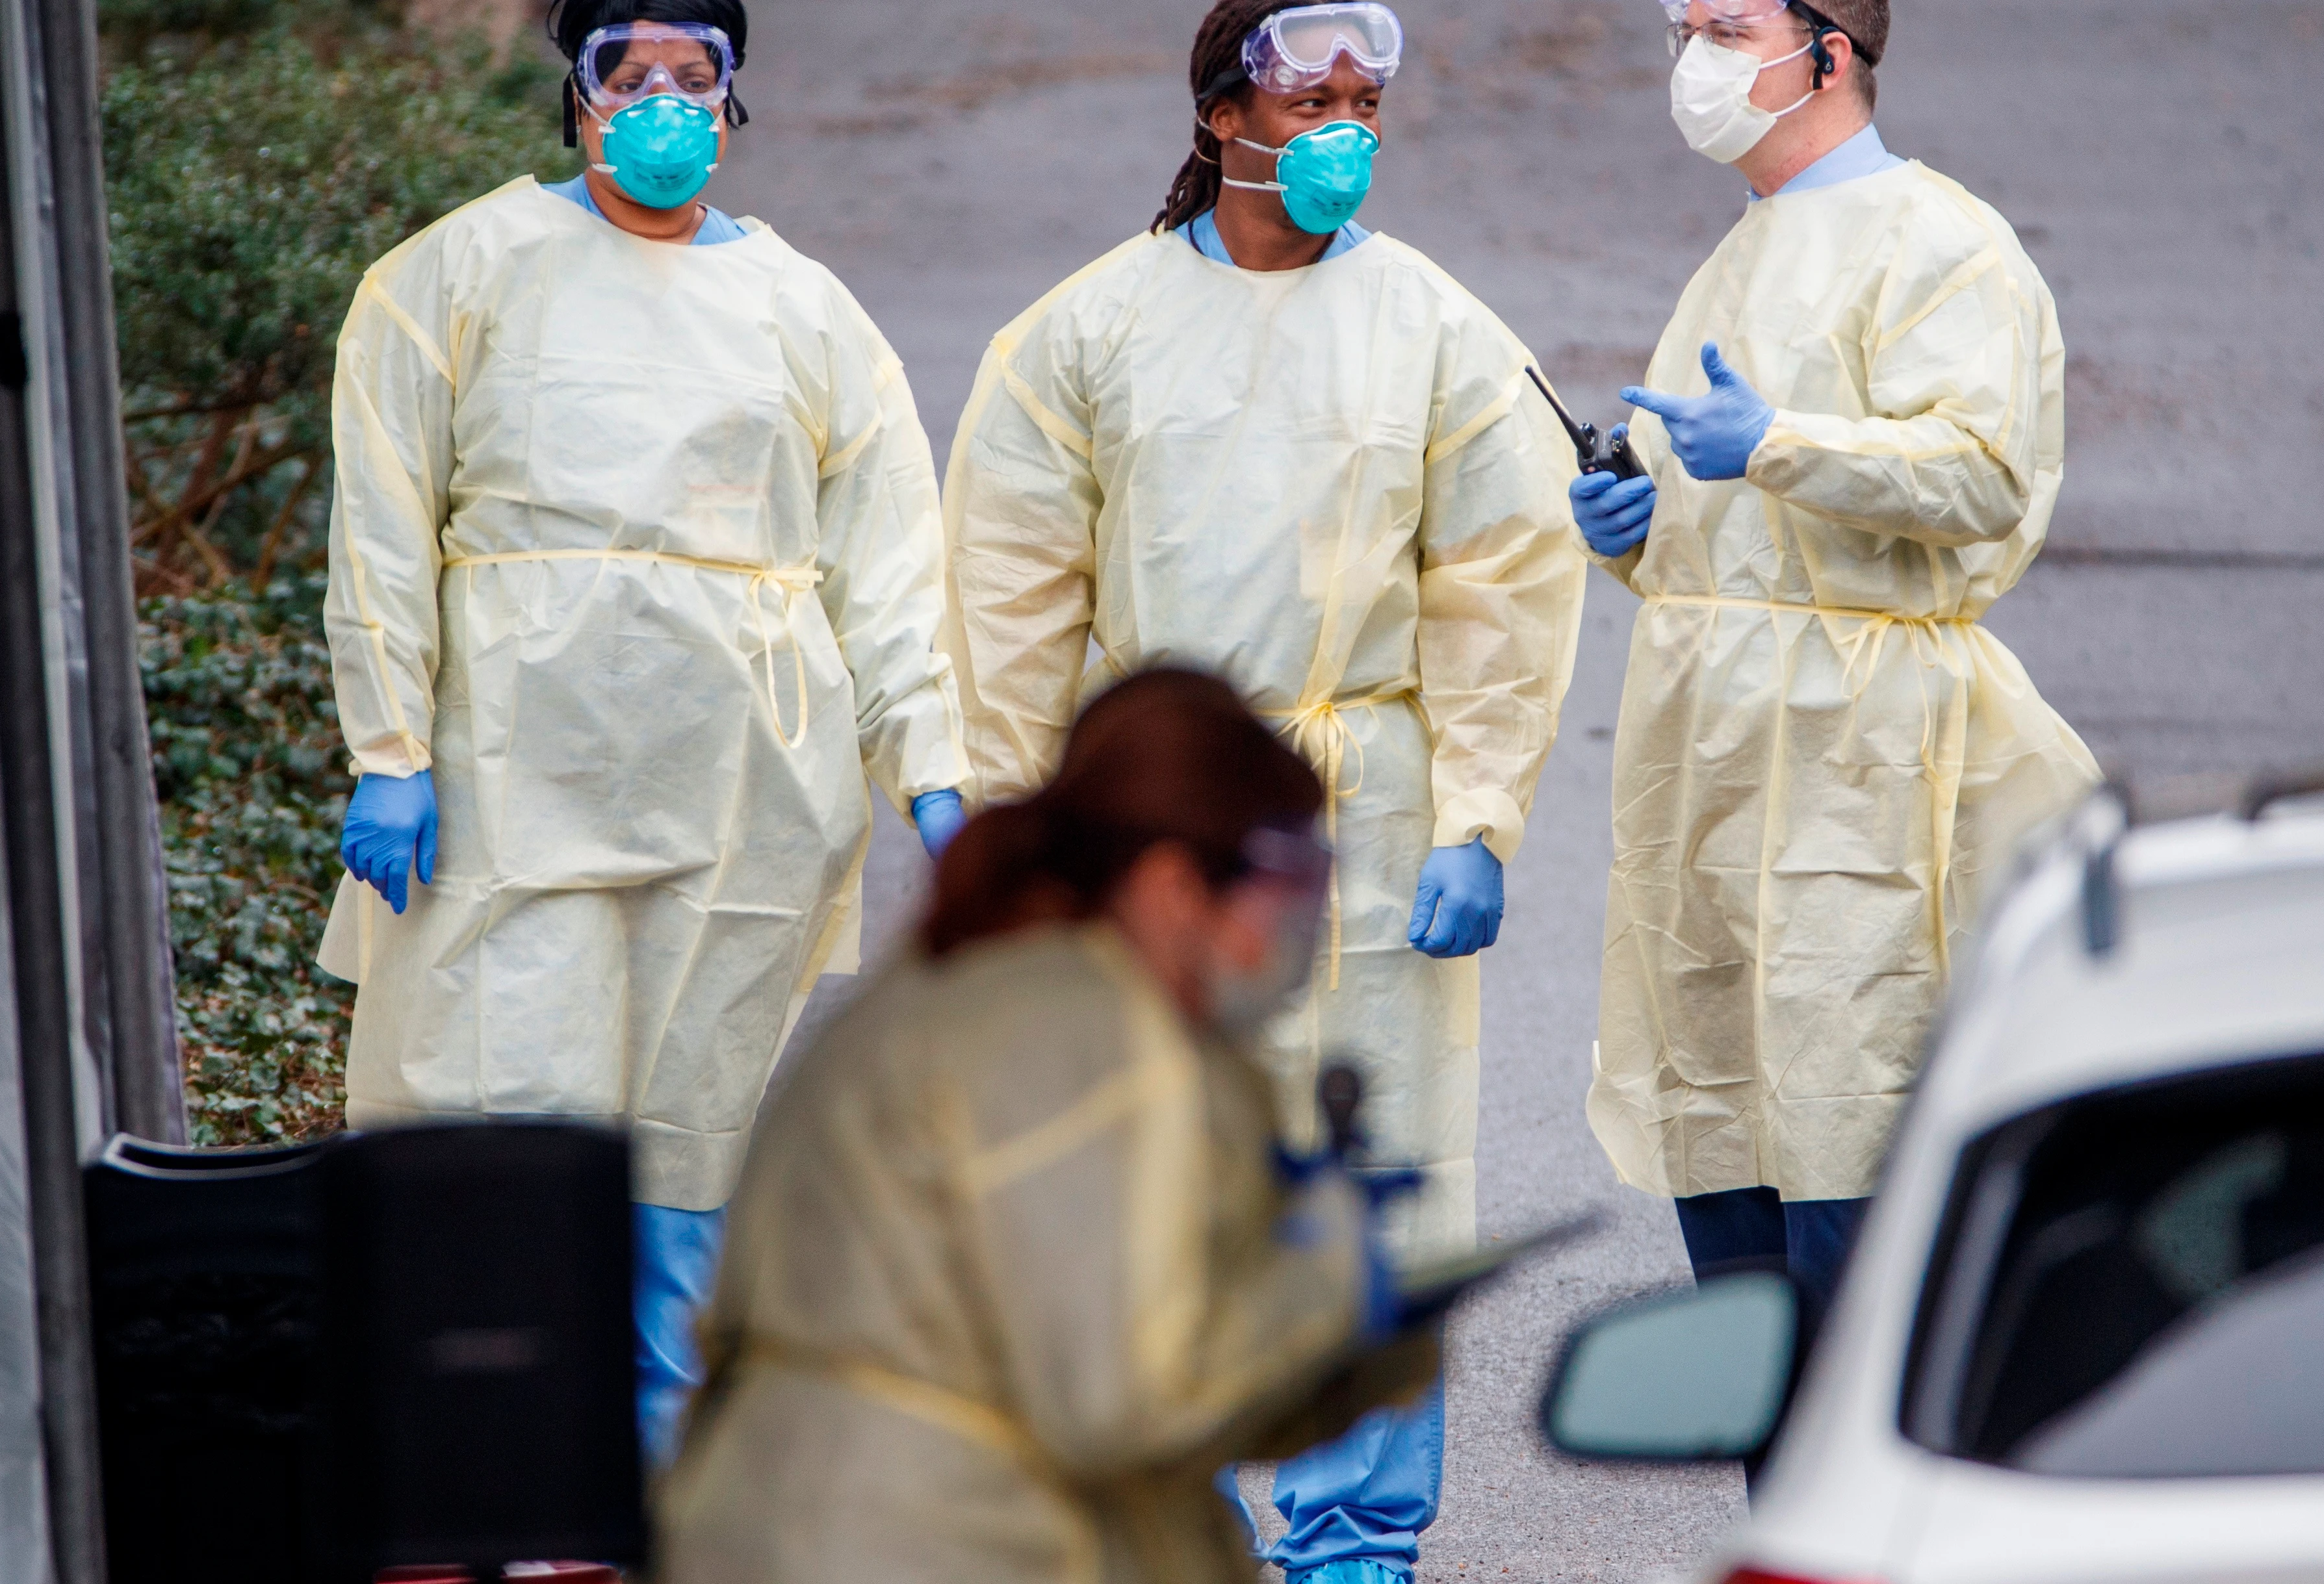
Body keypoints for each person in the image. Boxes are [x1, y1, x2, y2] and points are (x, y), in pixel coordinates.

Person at [940, 5, 1584, 1576]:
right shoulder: (1085, 335)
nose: (1346, 130)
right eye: (1315, 99)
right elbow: (1009, 591)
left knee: (1363, 1193)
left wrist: (1478, 814)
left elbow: (1504, 578)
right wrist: (1006, 819)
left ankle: (1356, 1539)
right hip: (1153, 829)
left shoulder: (1434, 328)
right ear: (1224, 115)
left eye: (1370, 101)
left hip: (1358, 811)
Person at [316, 0, 968, 1464]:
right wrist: (393, 748)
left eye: (698, 73)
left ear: (735, 97)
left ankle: (665, 1500)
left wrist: (933, 770)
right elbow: (380, 529)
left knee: (686, 1150)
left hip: (745, 791)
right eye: (633, 71)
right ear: (578, 86)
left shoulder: (805, 311)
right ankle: (492, 1489)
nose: (664, 101)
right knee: (501, 1123)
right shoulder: (455, 274)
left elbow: (886, 556)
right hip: (506, 783)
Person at [658, 669, 1438, 1584]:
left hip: (808, 1518)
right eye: (1288, 882)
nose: (1306, 919)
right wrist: (1333, 1270)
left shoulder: (1005, 980)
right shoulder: (1086, 1033)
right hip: (908, 1537)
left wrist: (1356, 1358)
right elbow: (1133, 1398)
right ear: (1173, 887)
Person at [1576, 0, 2098, 1342]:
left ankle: (1878, 1524)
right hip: (1710, 765)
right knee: (1727, 1154)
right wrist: (1638, 537)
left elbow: (1982, 474)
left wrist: (1773, 445)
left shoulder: (1939, 242)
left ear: (1828, 46)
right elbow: (1739, 542)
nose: (1694, 55)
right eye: (1683, 25)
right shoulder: (1740, 255)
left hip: (1855, 763)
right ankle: (1785, 1520)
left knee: (1846, 1139)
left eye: (1727, 23)